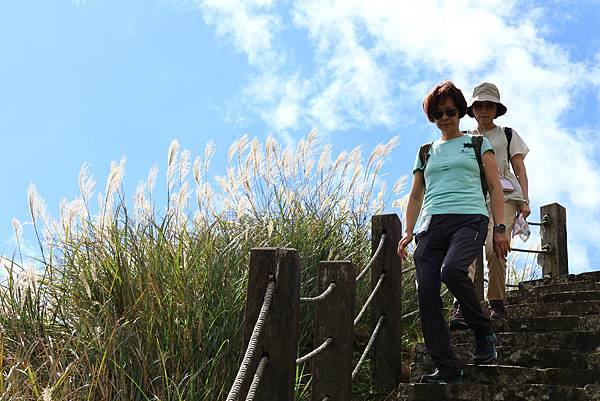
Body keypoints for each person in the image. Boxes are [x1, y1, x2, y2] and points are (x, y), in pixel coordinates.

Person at [397, 80, 510, 384]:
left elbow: (497, 188)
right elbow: (416, 195)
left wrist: (499, 228)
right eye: (437, 114)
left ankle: (483, 331)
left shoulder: (477, 144)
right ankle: (446, 367)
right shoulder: (425, 151)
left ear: (460, 111)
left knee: (453, 270)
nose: (444, 118)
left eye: (449, 111)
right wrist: (408, 231)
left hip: (470, 218)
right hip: (431, 226)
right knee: (427, 294)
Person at [449, 82, 530, 328]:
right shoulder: (462, 139)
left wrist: (525, 200)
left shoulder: (507, 134)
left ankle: (496, 303)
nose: (484, 110)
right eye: (479, 105)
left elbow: (519, 168)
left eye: (489, 105)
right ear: (472, 109)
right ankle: (462, 306)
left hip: (504, 197)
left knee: (496, 247)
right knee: (466, 252)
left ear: (496, 109)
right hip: (472, 199)